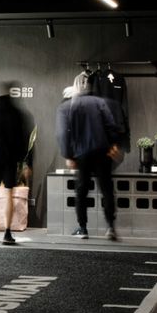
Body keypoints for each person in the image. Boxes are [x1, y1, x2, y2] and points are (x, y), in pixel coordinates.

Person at [56, 71, 123, 241]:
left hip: (81, 154)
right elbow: (111, 126)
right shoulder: (100, 102)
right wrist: (114, 144)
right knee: (106, 189)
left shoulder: (68, 106)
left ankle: (83, 228)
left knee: (82, 191)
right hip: (102, 151)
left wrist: (68, 155)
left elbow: (63, 133)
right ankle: (110, 227)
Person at [0, 82, 33, 244]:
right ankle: (7, 233)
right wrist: (25, 162)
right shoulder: (17, 112)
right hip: (11, 158)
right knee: (9, 193)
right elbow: (24, 138)